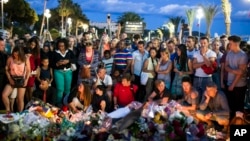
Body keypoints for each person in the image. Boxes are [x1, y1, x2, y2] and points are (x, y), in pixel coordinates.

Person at [225, 35, 248, 119]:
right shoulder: (229, 53)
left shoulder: (243, 55)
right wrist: (235, 71)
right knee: (231, 107)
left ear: (236, 44)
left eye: (230, 43)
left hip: (239, 85)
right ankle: (230, 126)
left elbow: (241, 73)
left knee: (238, 108)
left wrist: (232, 85)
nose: (229, 45)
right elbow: (226, 67)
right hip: (229, 83)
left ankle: (239, 127)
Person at [2, 46, 31, 112]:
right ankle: (8, 110)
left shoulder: (25, 59)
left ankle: (20, 114)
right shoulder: (10, 58)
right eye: (14, 53)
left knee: (20, 99)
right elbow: (6, 69)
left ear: (21, 53)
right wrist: (9, 78)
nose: (15, 55)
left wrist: (26, 80)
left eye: (17, 54)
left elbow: (28, 70)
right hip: (12, 78)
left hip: (21, 79)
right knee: (4, 95)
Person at [50, 38, 76, 107]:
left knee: (67, 89)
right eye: (59, 46)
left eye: (62, 46)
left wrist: (68, 61)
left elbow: (75, 59)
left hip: (68, 71)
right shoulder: (55, 53)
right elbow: (51, 64)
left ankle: (67, 102)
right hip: (58, 72)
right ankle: (59, 103)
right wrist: (57, 64)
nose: (61, 47)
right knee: (60, 89)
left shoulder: (69, 52)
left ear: (65, 45)